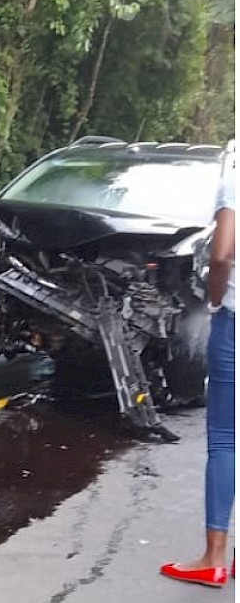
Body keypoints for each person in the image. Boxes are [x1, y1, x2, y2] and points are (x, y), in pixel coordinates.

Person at [160, 155, 235, 588]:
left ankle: (214, 556)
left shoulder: (234, 180)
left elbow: (222, 254)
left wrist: (212, 299)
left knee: (225, 438)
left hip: (235, 321)